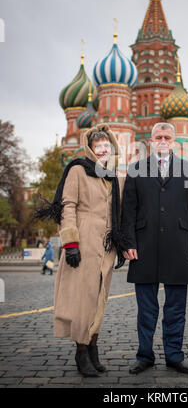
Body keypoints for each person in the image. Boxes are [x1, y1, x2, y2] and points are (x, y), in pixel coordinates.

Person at [35, 123, 126, 377]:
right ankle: (81, 351)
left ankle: (93, 348)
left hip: (106, 246)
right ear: (90, 149)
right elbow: (68, 206)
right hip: (83, 241)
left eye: (107, 146)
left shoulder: (115, 176)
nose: (103, 150)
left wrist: (121, 244)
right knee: (82, 300)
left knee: (100, 297)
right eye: (98, 146)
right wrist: (71, 243)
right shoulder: (78, 170)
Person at [121, 122, 188, 375]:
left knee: (176, 308)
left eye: (167, 137)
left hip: (180, 247)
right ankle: (144, 356)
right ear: (150, 141)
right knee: (146, 309)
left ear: (173, 142)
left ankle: (174, 356)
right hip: (144, 247)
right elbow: (129, 210)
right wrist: (128, 242)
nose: (162, 140)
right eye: (157, 136)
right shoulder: (136, 169)